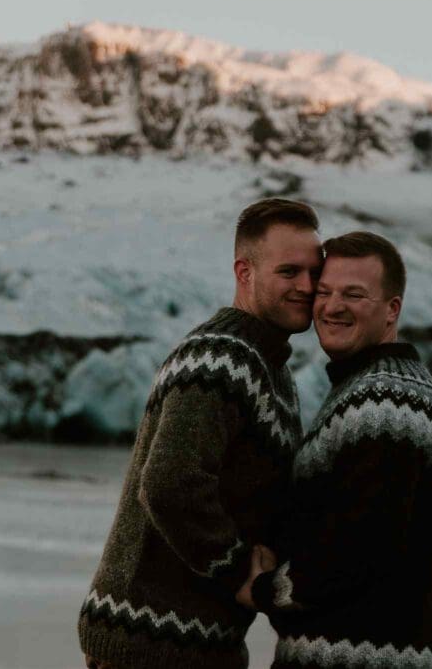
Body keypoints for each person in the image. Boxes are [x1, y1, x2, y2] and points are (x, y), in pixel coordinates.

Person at [77, 198, 323, 669]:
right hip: (149, 642)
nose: (307, 287)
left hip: (198, 643)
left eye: (314, 273)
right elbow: (170, 484)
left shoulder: (269, 368)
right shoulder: (219, 359)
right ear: (244, 272)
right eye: (289, 271)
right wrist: (238, 576)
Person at [244, 231, 432, 669]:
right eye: (325, 292)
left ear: (392, 309)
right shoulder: (379, 389)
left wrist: (262, 589)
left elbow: (354, 546)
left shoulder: (386, 403)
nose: (332, 306)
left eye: (354, 294)